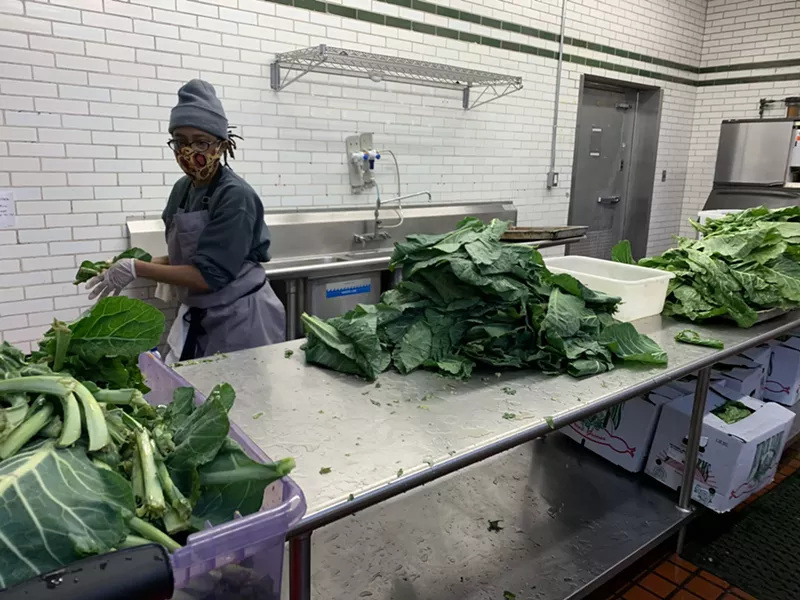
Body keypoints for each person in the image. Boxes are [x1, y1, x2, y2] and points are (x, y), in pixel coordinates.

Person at [86, 79, 286, 362]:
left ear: (222, 144)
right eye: (180, 141)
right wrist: (128, 265)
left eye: (201, 142)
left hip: (242, 318)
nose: (189, 152)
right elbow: (191, 257)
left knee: (243, 400)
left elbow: (209, 274)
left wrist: (138, 268)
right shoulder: (183, 189)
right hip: (201, 313)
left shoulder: (235, 196)